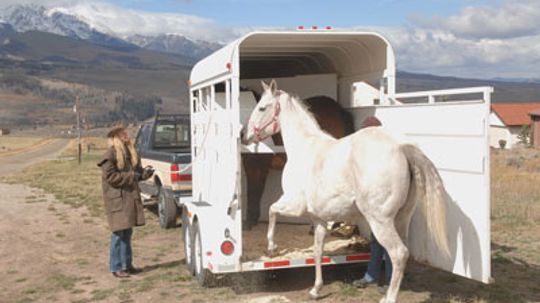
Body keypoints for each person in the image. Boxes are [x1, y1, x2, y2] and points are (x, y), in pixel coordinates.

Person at [97, 127, 154, 278]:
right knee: (118, 233)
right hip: (117, 200)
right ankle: (116, 267)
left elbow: (136, 173)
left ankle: (127, 265)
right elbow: (111, 178)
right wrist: (131, 176)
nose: (126, 135)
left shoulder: (130, 152)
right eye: (123, 133)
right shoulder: (110, 154)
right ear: (116, 136)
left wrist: (144, 174)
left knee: (127, 232)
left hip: (128, 198)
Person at [353, 116, 393, 292]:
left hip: (387, 205)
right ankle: (371, 275)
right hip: (377, 206)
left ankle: (392, 281)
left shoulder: (389, 154)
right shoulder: (373, 152)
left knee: (390, 241)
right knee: (376, 241)